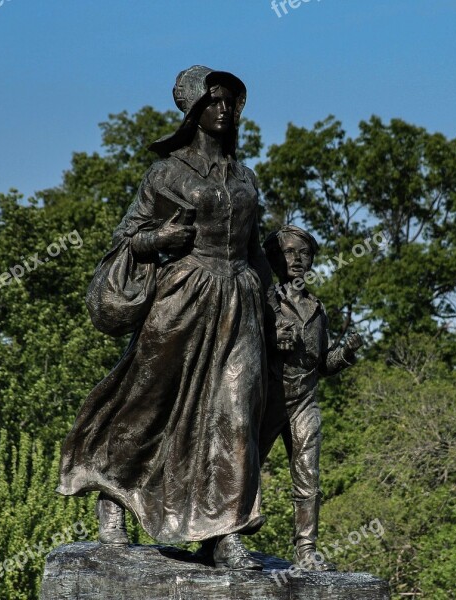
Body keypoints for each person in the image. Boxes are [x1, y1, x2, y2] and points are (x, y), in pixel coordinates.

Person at [56, 66, 272, 571]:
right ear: (195, 110)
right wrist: (159, 241)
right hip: (183, 297)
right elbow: (128, 236)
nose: (224, 109)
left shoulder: (246, 177)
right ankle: (111, 494)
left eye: (230, 102)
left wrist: (272, 301)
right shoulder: (166, 173)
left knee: (237, 414)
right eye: (213, 101)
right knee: (148, 403)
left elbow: (257, 249)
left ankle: (224, 531)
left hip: (239, 299)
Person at [260, 225, 363, 571]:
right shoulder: (263, 300)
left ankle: (306, 551)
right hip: (267, 398)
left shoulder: (317, 309)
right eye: (289, 252)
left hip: (305, 400)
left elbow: (323, 365)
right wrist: (271, 338)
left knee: (309, 476)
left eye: (304, 253)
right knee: (244, 470)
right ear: (275, 258)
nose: (298, 259)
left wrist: (346, 352)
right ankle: (218, 540)